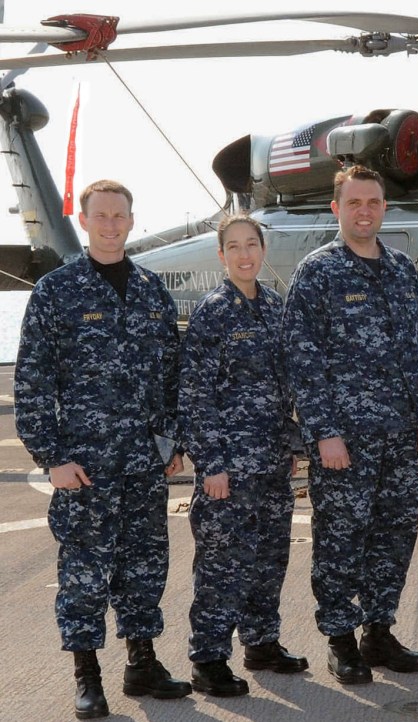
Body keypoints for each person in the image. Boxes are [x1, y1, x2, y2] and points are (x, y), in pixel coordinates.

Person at [14, 180, 192, 720]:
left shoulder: (151, 291)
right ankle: (86, 676)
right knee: (85, 573)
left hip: (143, 462)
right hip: (84, 466)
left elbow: (171, 373)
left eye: (120, 215)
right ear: (86, 220)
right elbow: (33, 381)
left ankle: (142, 663)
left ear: (132, 221)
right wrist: (51, 456)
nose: (111, 225)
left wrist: (171, 441)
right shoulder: (57, 291)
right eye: (102, 216)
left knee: (145, 566)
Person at [283, 165, 418, 685]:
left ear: (383, 208)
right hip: (344, 440)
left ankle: (378, 630)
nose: (365, 211)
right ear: (337, 209)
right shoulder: (318, 272)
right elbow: (302, 359)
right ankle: (340, 637)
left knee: (394, 535)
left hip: (399, 434)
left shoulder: (400, 269)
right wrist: (323, 431)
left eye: (373, 202)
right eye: (354, 203)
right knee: (340, 537)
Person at [178, 215, 308, 696]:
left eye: (251, 244)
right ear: (222, 256)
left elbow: (282, 388)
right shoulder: (214, 312)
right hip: (228, 469)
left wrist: (289, 445)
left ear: (262, 249)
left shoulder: (274, 307)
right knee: (221, 564)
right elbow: (195, 395)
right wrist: (210, 463)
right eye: (233, 247)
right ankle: (209, 658)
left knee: (270, 559)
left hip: (271, 463)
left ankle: (261, 642)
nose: (244, 254)